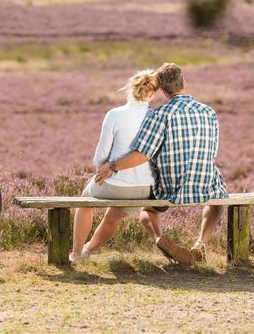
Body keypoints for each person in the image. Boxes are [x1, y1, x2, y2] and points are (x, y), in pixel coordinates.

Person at [95, 63, 227, 264]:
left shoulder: (160, 114)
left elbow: (142, 154)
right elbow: (213, 151)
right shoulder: (209, 112)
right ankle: (200, 243)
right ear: (184, 81)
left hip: (171, 187)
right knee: (219, 201)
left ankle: (159, 238)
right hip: (205, 183)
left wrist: (112, 166)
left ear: (163, 92)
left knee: (147, 211)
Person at [70, 69, 160, 262]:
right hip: (145, 189)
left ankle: (76, 253)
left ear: (130, 90)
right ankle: (88, 250)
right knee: (113, 216)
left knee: (84, 201)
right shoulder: (157, 117)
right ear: (152, 94)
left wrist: (100, 170)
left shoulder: (115, 115)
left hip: (116, 184)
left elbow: (102, 153)